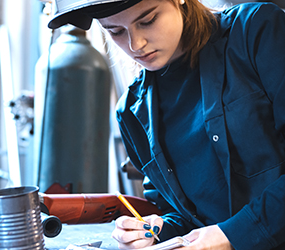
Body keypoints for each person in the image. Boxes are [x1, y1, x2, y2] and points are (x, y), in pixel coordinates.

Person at [48, 0, 285, 249]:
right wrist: (155, 230)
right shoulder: (131, 112)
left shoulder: (256, 32)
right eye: (116, 31)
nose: (135, 44)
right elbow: (183, 214)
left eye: (148, 21)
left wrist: (232, 235)